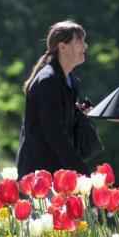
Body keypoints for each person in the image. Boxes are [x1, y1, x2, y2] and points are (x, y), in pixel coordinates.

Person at [16, 20, 92, 177]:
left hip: (58, 170)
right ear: (62, 47)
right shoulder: (48, 80)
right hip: (41, 175)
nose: (85, 46)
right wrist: (79, 169)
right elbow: (54, 133)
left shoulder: (70, 80)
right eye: (79, 41)